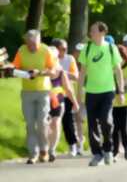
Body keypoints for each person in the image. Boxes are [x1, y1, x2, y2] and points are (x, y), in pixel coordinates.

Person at [78, 21, 124, 166]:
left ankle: (108, 150)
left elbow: (118, 71)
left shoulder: (111, 48)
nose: (91, 33)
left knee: (106, 121)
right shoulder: (87, 48)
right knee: (92, 125)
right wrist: (79, 91)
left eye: (93, 31)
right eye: (91, 31)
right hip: (91, 92)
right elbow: (82, 72)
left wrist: (121, 91)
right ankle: (97, 154)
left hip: (107, 91)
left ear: (102, 32)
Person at [13, 30, 55, 164]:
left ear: (39, 41)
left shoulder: (46, 50)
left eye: (34, 44)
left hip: (43, 91)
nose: (31, 47)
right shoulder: (21, 50)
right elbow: (15, 68)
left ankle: (44, 150)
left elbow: (53, 72)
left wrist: (40, 72)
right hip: (27, 91)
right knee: (30, 124)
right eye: (29, 44)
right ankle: (33, 154)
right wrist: (16, 70)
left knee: (42, 123)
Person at [47, 46, 79, 162]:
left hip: (58, 101)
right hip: (43, 102)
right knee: (45, 125)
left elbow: (69, 89)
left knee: (56, 123)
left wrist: (75, 102)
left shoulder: (61, 72)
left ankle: (52, 149)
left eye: (52, 57)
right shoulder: (42, 71)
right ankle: (44, 148)